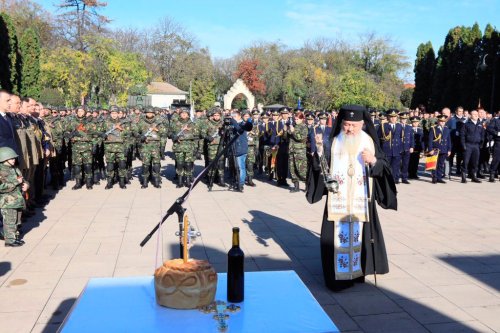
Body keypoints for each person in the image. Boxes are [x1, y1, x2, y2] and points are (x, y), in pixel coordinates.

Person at [306, 105, 396, 291]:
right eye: (346, 124)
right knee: (335, 239)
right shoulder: (334, 141)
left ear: (362, 124)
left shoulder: (369, 142)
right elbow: (320, 167)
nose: (349, 129)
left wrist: (374, 161)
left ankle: (358, 272)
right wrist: (320, 151)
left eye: (354, 125)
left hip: (361, 201)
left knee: (360, 237)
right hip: (337, 202)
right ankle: (337, 280)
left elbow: (385, 168)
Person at [0, 147, 29, 247]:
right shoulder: (1, 171)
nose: (14, 160)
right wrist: (16, 182)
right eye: (11, 158)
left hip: (18, 200)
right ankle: (10, 241)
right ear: (4, 159)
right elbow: (1, 187)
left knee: (17, 220)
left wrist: (26, 185)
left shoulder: (15, 169)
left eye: (14, 158)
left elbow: (23, 180)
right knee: (10, 221)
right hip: (7, 202)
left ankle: (14, 237)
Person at [377, 109, 403, 183]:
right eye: (391, 117)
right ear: (388, 117)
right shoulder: (383, 126)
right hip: (386, 150)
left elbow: (401, 138)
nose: (393, 118)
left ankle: (394, 179)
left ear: (397, 117)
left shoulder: (399, 126)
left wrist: (401, 149)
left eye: (394, 117)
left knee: (396, 166)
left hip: (396, 150)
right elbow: (378, 138)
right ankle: (386, 180)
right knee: (386, 166)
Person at [460, 110, 484, 183]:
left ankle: (473, 176)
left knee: (475, 162)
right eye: (474, 114)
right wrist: (463, 145)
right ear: (470, 116)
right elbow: (462, 135)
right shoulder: (466, 124)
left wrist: (481, 144)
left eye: (477, 114)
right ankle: (463, 176)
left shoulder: (480, 124)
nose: (476, 115)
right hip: (468, 145)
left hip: (476, 146)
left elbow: (482, 134)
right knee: (466, 161)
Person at [287, 111, 308, 192]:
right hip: (292, 151)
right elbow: (287, 136)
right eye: (295, 119)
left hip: (300, 152)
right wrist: (287, 130)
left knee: (301, 170)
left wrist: (293, 131)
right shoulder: (294, 126)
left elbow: (301, 138)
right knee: (293, 170)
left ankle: (307, 186)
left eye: (297, 119)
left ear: (302, 119)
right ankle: (296, 187)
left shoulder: (304, 127)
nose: (296, 120)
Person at [428, 115, 451, 184]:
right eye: (441, 121)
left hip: (444, 149)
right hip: (435, 149)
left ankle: (439, 177)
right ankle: (434, 178)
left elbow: (449, 140)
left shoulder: (446, 129)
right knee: (434, 164)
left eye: (444, 121)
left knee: (441, 164)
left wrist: (449, 149)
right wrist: (430, 149)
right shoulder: (433, 128)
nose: (442, 122)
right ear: (438, 121)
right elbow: (430, 140)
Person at [399, 112, 414, 184]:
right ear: (400, 119)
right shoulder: (397, 126)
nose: (403, 120)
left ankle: (404, 178)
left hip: (407, 148)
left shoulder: (409, 127)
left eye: (405, 119)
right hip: (399, 147)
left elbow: (411, 138)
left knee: (405, 164)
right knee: (397, 164)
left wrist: (412, 146)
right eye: (402, 119)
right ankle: (395, 177)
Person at [487, 111, 500, 182]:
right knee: (496, 159)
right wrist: (497, 133)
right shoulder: (496, 120)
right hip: (498, 142)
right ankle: (492, 173)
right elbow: (489, 128)